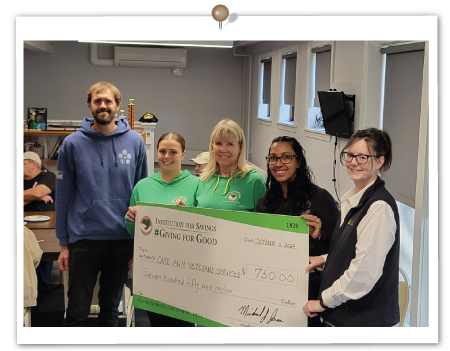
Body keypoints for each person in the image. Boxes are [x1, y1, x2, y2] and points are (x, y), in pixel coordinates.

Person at [55, 82, 148, 327]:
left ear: (118, 105)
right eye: (97, 101)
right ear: (89, 105)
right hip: (83, 239)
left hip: (121, 239)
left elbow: (142, 194)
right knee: (77, 310)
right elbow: (63, 195)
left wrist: (140, 242)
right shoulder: (72, 144)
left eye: (108, 101)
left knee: (110, 309)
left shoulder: (135, 142)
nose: (103, 106)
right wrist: (63, 243)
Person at [302, 128, 399, 327]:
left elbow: (363, 274)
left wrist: (323, 302)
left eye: (363, 157)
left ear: (380, 161)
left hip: (363, 323)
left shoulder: (378, 208)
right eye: (350, 155)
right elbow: (353, 252)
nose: (353, 162)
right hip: (342, 318)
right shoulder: (351, 199)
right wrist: (323, 260)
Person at [255, 136, 339, 327]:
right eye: (273, 158)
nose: (278, 164)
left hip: (310, 293)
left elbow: (339, 249)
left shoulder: (320, 198)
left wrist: (317, 235)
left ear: (299, 162)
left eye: (286, 157)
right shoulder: (265, 202)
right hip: (273, 289)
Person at [126, 132, 198, 327]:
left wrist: (190, 217)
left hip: (186, 271)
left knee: (184, 328)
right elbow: (134, 232)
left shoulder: (198, 185)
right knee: (158, 325)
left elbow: (205, 229)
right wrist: (130, 218)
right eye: (162, 151)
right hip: (153, 270)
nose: (166, 156)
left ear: (183, 154)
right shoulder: (142, 186)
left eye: (173, 152)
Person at [195, 119, 266, 211]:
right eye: (218, 143)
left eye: (230, 144)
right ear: (212, 146)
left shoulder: (254, 181)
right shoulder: (203, 179)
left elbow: (262, 222)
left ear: (240, 147)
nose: (223, 150)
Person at [23, 151, 55, 290]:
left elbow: (37, 192)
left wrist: (36, 195)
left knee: (44, 253)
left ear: (34, 164)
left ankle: (42, 286)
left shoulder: (48, 176)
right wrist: (36, 196)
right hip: (23, 224)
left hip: (46, 224)